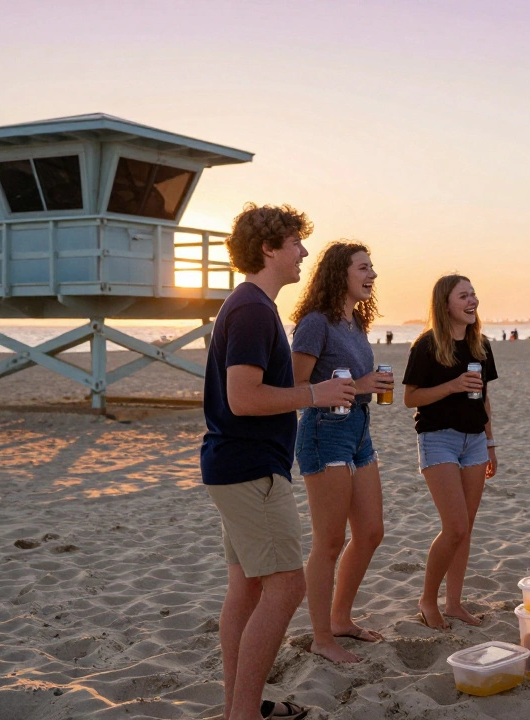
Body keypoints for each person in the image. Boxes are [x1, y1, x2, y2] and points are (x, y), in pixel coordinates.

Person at [201, 203, 354, 720]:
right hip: (250, 469)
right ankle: (243, 714)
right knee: (287, 585)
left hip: (236, 465)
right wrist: (315, 393)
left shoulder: (250, 306)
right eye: (294, 243)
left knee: (246, 587)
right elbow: (243, 397)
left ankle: (237, 708)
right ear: (269, 248)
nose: (303, 252)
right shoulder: (250, 309)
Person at [290, 241, 393, 663]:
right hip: (323, 431)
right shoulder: (315, 323)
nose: (372, 274)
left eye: (372, 267)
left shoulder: (354, 323)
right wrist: (360, 384)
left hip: (359, 429)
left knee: (371, 532)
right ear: (339, 273)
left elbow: (355, 378)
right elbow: (295, 390)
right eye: (363, 267)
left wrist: (368, 385)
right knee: (329, 542)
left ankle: (340, 619)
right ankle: (321, 637)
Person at [402, 274, 498, 629]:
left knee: (466, 528)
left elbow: (486, 399)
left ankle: (454, 603)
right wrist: (453, 385)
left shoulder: (482, 345)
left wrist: (490, 443)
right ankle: (428, 599)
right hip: (437, 437)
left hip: (474, 441)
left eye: (474, 294)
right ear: (446, 305)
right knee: (455, 525)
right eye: (464, 296)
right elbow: (410, 398)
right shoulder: (426, 346)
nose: (472, 300)